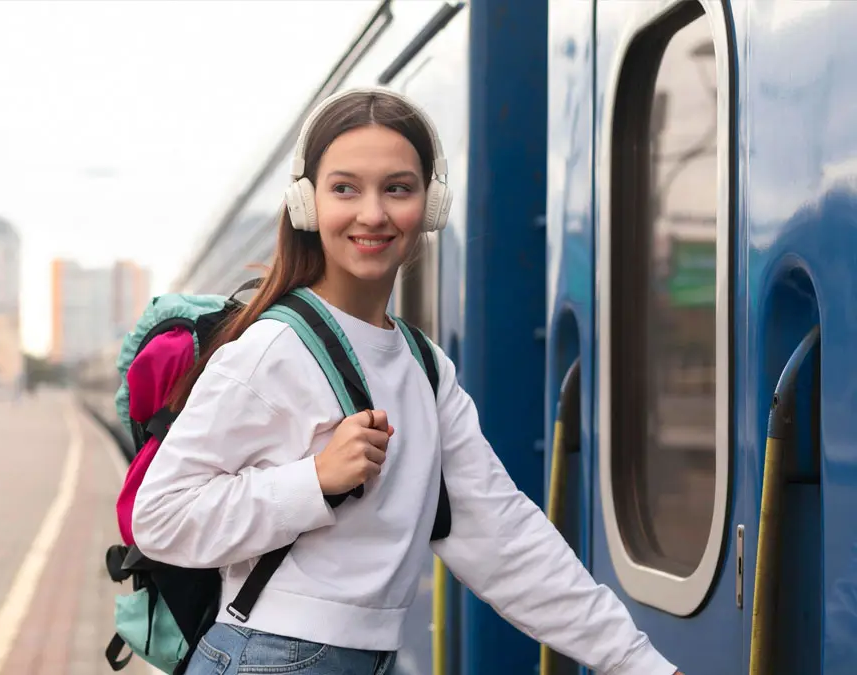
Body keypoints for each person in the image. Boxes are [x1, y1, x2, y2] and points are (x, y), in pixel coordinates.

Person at [131, 87, 683, 675]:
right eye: (345, 188)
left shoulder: (425, 367)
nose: (373, 214)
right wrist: (312, 481)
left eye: (398, 188)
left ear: (432, 203)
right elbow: (159, 517)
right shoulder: (273, 350)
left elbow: (504, 537)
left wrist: (637, 663)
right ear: (308, 204)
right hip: (267, 657)